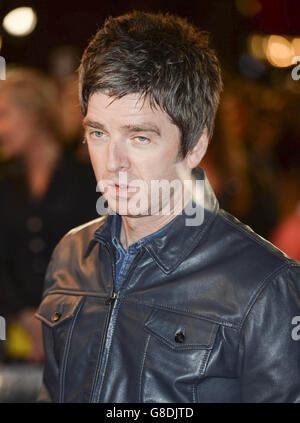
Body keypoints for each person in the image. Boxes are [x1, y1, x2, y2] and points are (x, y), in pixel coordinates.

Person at [36, 11, 300, 403]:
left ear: (195, 145)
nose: (113, 162)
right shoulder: (71, 255)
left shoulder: (265, 286)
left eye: (140, 137)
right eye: (98, 133)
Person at [0, 68, 98, 363]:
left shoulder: (86, 175)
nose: (0, 128)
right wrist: (23, 315)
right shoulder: (6, 184)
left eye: (4, 114)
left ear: (35, 114)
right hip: (20, 342)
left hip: (83, 337)